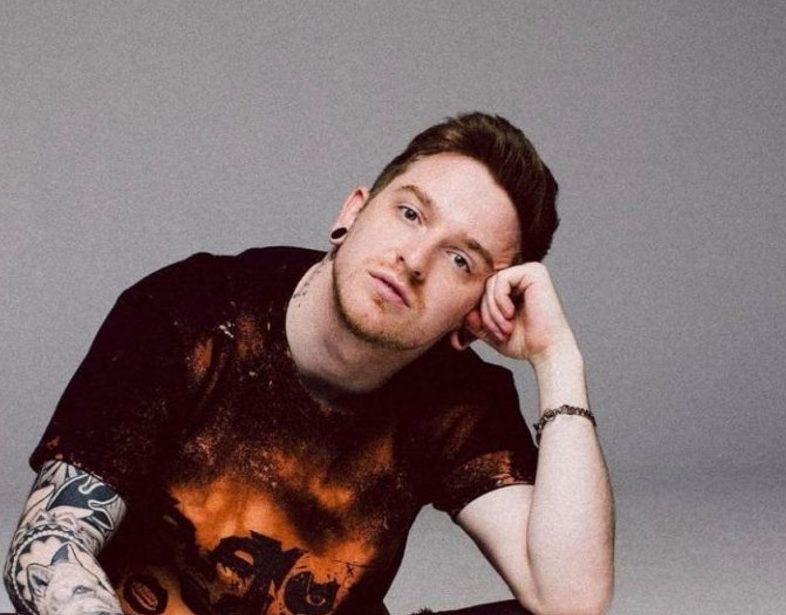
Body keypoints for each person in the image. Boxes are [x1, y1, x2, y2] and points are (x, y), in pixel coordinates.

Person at [3, 113, 614, 615]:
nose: (414, 259)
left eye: (461, 260)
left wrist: (557, 357)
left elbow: (571, 600)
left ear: (475, 312)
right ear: (352, 213)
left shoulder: (458, 399)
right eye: (410, 214)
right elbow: (48, 543)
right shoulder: (188, 315)